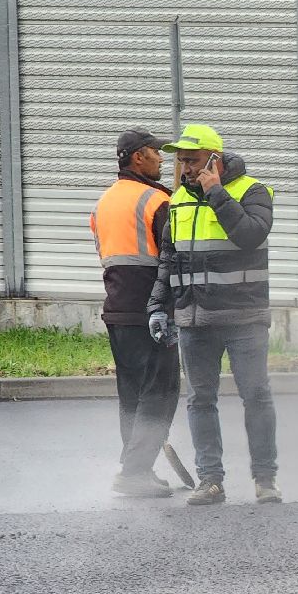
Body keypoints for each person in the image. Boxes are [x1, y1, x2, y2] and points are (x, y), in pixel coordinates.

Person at [147, 123, 281, 506]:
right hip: (194, 318)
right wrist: (159, 306)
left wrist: (215, 192)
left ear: (214, 160)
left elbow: (251, 235)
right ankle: (211, 481)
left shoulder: (253, 191)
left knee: (256, 395)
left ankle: (265, 479)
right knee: (200, 399)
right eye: (181, 161)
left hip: (244, 317)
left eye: (191, 160)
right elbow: (168, 259)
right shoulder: (177, 200)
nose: (184, 168)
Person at [90, 128, 181, 498]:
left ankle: (137, 467)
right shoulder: (156, 201)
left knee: (132, 394)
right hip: (152, 311)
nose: (162, 159)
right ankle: (134, 471)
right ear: (139, 157)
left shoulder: (104, 203)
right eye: (156, 153)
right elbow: (172, 258)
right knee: (160, 391)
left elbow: (107, 257)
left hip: (119, 310)